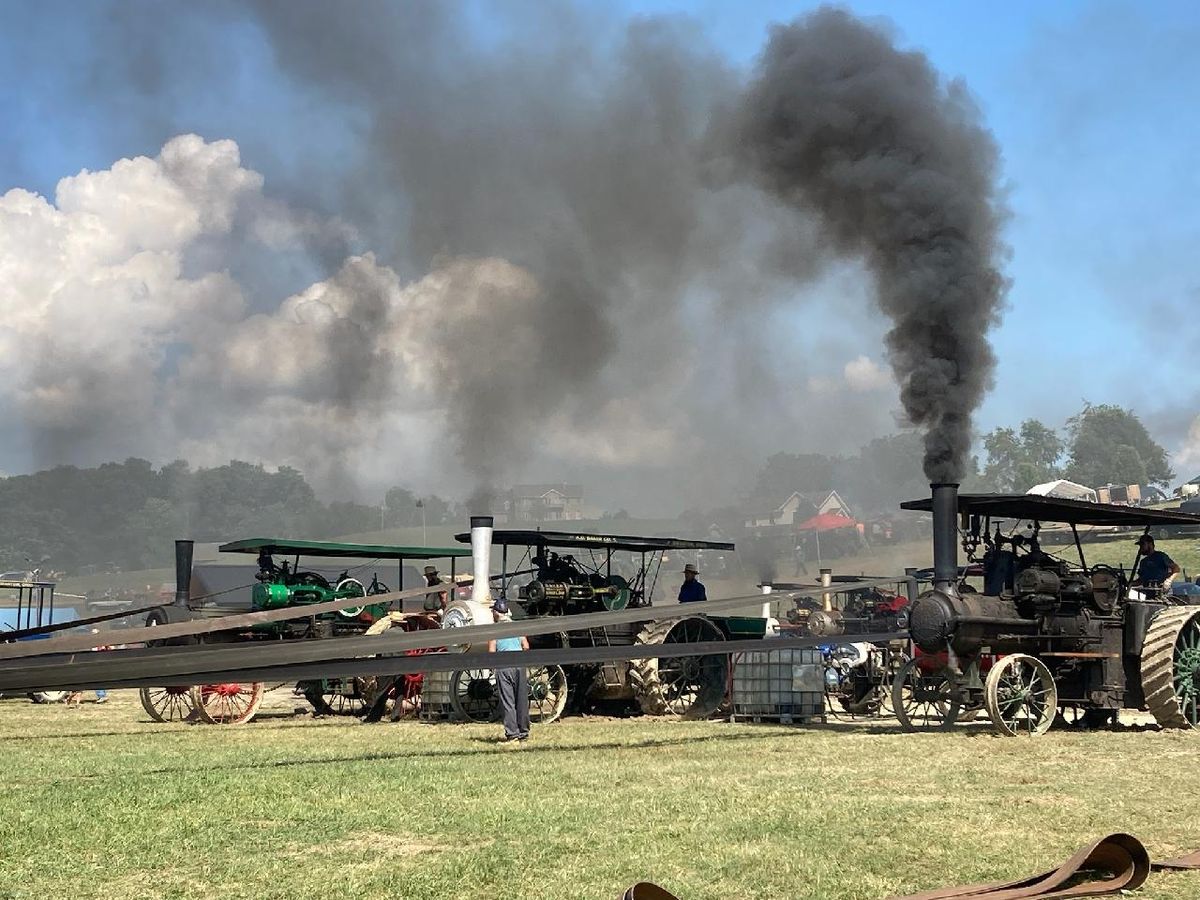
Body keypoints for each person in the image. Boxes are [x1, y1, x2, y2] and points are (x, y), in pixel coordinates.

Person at [487, 597, 530, 742]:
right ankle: (524, 732)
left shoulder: (494, 630)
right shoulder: (517, 626)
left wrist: (493, 669)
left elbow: (492, 651)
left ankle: (512, 734)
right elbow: (526, 646)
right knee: (521, 700)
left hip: (504, 666)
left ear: (496, 613)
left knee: (508, 702)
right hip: (519, 665)